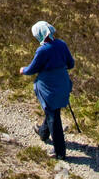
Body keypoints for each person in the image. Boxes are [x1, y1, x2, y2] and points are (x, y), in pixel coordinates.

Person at [19, 20, 75, 160]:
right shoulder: (61, 44)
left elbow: (33, 69)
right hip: (62, 83)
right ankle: (43, 133)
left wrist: (23, 70)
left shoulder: (42, 50)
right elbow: (71, 64)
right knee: (52, 110)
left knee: (53, 116)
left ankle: (60, 152)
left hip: (48, 88)